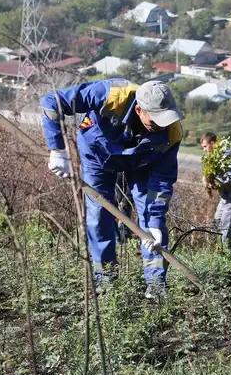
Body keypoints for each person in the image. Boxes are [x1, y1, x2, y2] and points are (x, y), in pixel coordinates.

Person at [40, 79, 183, 299]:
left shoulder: (172, 132)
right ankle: (106, 281)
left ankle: (155, 285)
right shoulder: (110, 95)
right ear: (139, 110)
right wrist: (57, 149)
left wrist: (155, 221)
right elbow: (52, 102)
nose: (161, 125)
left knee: (152, 223)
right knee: (98, 216)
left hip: (142, 163)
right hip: (97, 156)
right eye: (156, 120)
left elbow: (162, 180)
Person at [200, 132, 231, 252]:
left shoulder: (225, 157)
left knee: (227, 230)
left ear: (212, 143)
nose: (204, 150)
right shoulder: (212, 158)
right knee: (217, 224)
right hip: (226, 197)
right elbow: (208, 175)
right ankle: (228, 249)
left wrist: (215, 183)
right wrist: (207, 182)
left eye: (205, 146)